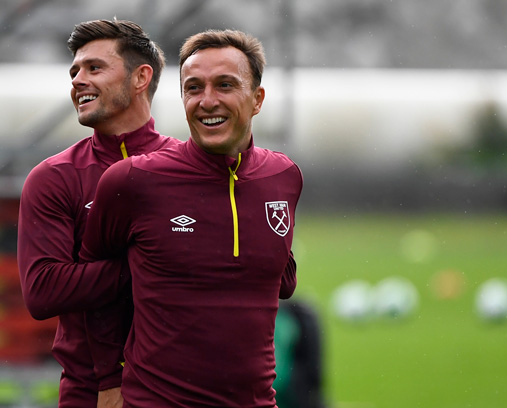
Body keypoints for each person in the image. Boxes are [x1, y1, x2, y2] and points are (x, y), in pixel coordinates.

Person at [80, 29, 303, 407]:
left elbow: (280, 279)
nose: (207, 101)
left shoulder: (283, 177)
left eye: (225, 85)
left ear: (257, 99)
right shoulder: (132, 180)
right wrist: (107, 380)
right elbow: (96, 293)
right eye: (194, 88)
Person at [17, 19, 179, 408]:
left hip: (184, 387)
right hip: (91, 394)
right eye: (74, 71)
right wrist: (154, 262)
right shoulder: (54, 177)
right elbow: (43, 290)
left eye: (94, 68)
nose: (77, 80)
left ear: (141, 78)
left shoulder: (188, 168)